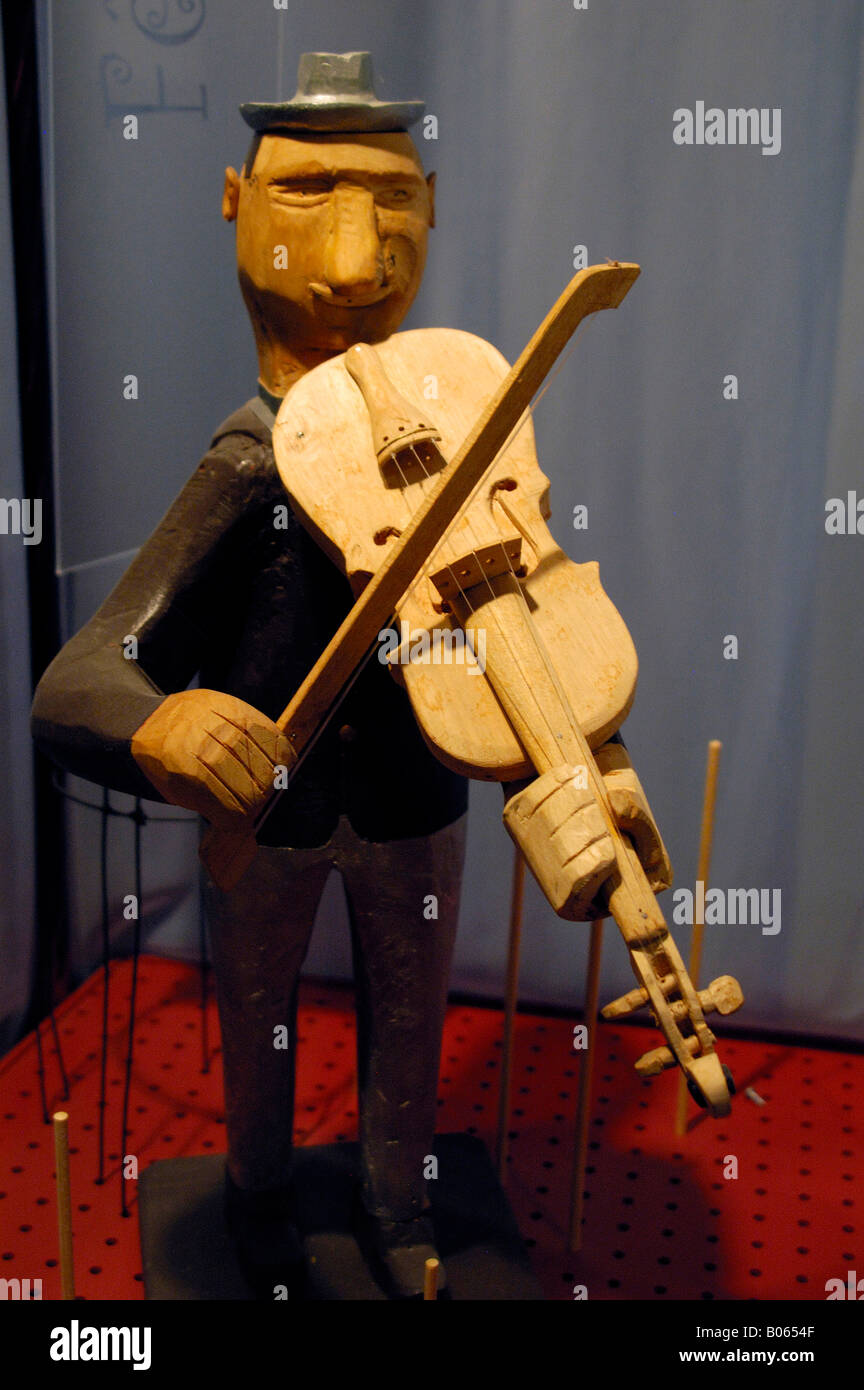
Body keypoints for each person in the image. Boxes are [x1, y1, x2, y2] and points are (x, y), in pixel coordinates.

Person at [32, 52, 669, 1298]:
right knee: (260, 1026)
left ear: (429, 203)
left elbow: (527, 618)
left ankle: (397, 1202)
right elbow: (81, 677)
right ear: (237, 201)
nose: (351, 254)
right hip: (268, 818)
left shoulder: (471, 440)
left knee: (412, 1029)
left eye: (388, 200)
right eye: (309, 190)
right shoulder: (255, 456)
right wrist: (165, 723)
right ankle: (260, 1196)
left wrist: (589, 751)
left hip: (423, 804)